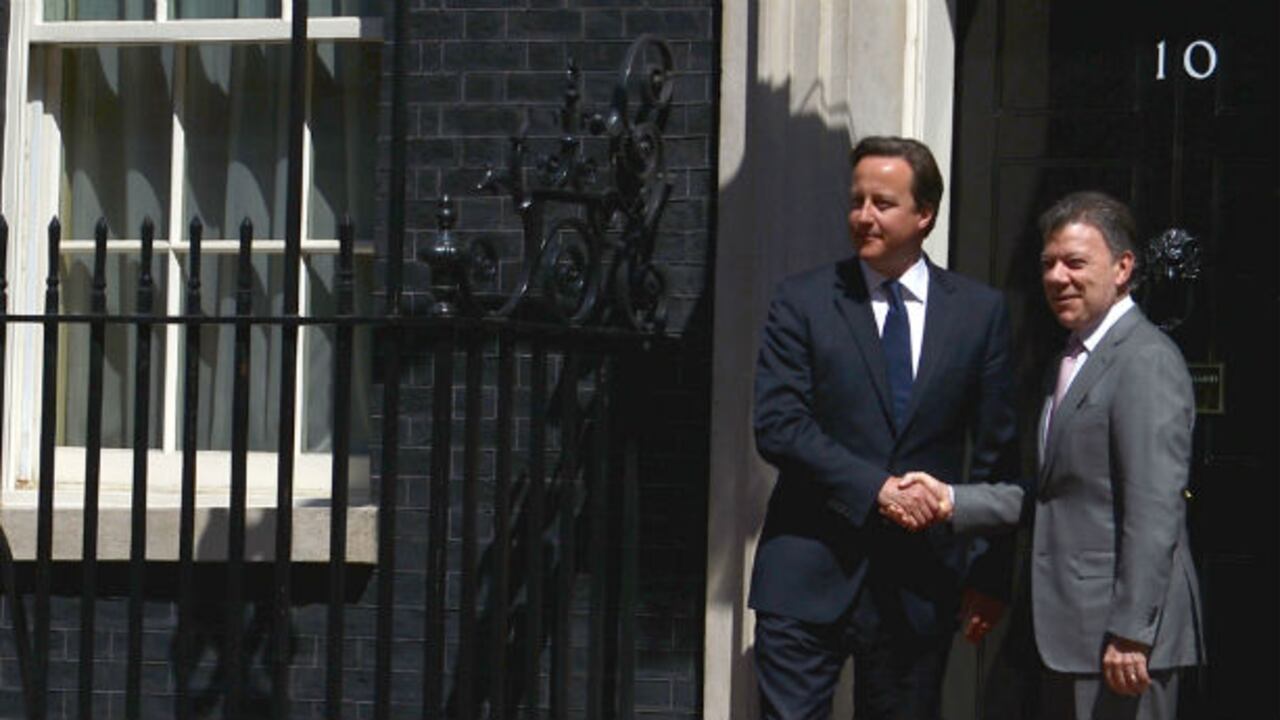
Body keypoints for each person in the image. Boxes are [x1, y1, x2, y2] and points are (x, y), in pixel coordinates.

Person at [902, 191, 1205, 719]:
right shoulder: (1068, 360)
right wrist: (951, 499)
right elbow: (1054, 494)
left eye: (1075, 262)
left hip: (1122, 642)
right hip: (1068, 634)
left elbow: (1155, 508)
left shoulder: (1145, 360)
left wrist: (1133, 631)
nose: (1057, 277)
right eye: (1048, 264)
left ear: (1123, 268)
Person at [750, 136, 1018, 719]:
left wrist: (989, 575)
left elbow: (998, 453)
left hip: (919, 582)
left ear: (925, 215)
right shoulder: (803, 301)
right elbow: (778, 425)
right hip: (806, 569)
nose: (863, 216)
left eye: (882, 202)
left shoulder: (979, 313)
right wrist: (877, 487)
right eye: (856, 201)